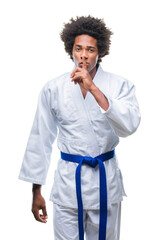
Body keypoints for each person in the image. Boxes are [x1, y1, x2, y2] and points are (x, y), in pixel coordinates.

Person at [19, 16, 141, 240]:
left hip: (105, 184)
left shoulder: (120, 85)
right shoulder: (53, 89)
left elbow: (129, 126)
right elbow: (40, 139)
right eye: (78, 48)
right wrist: (36, 191)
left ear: (100, 52)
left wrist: (93, 88)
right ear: (71, 50)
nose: (84, 55)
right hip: (68, 185)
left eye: (91, 49)